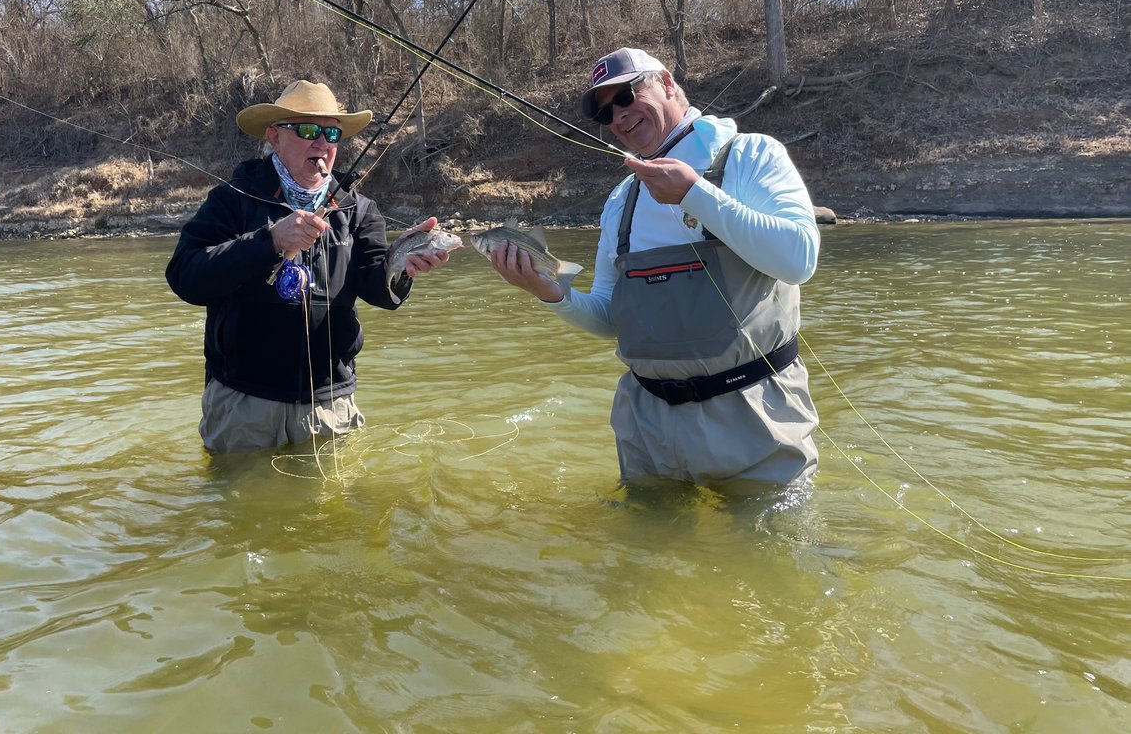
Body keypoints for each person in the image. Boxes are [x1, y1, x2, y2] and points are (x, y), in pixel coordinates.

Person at [486, 48, 820, 487]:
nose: (619, 116)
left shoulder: (750, 154)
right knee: (641, 555)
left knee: (768, 553)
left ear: (666, 82)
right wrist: (550, 293)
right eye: (605, 113)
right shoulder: (620, 200)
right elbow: (611, 318)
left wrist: (695, 193)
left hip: (755, 416)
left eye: (626, 95)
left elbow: (799, 260)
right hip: (645, 424)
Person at [165, 80, 452, 454]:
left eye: (331, 132)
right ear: (274, 136)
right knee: (239, 510)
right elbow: (186, 277)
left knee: (331, 512)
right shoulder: (232, 200)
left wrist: (404, 263)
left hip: (330, 404)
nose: (322, 143)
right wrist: (269, 241)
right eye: (307, 130)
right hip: (244, 403)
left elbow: (377, 288)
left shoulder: (359, 210)